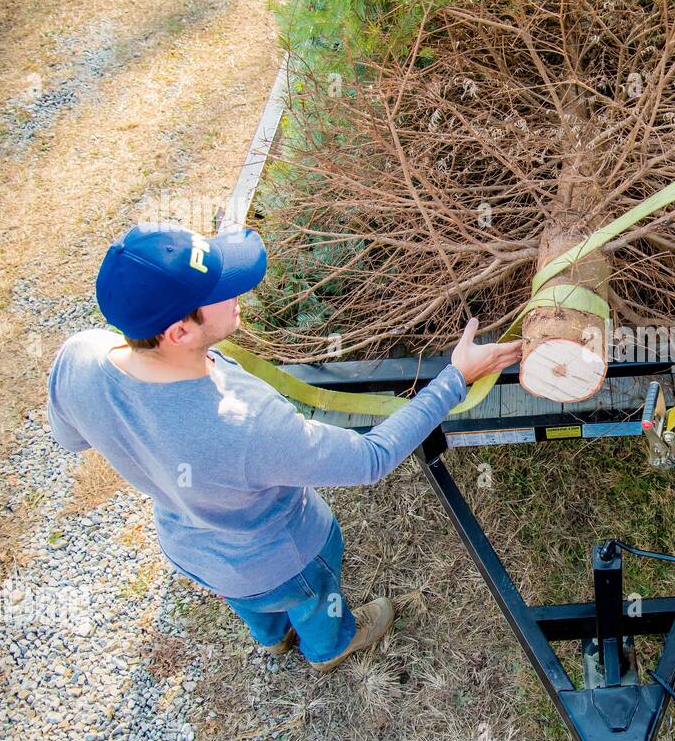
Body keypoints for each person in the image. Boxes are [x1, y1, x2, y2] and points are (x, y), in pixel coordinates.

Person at [46, 222, 521, 672]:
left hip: (194, 551)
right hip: (285, 557)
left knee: (250, 601)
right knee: (313, 597)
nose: (236, 293)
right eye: (218, 293)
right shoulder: (248, 424)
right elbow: (371, 459)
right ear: (179, 332)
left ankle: (271, 636)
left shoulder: (80, 358)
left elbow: (72, 438)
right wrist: (456, 378)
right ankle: (329, 647)